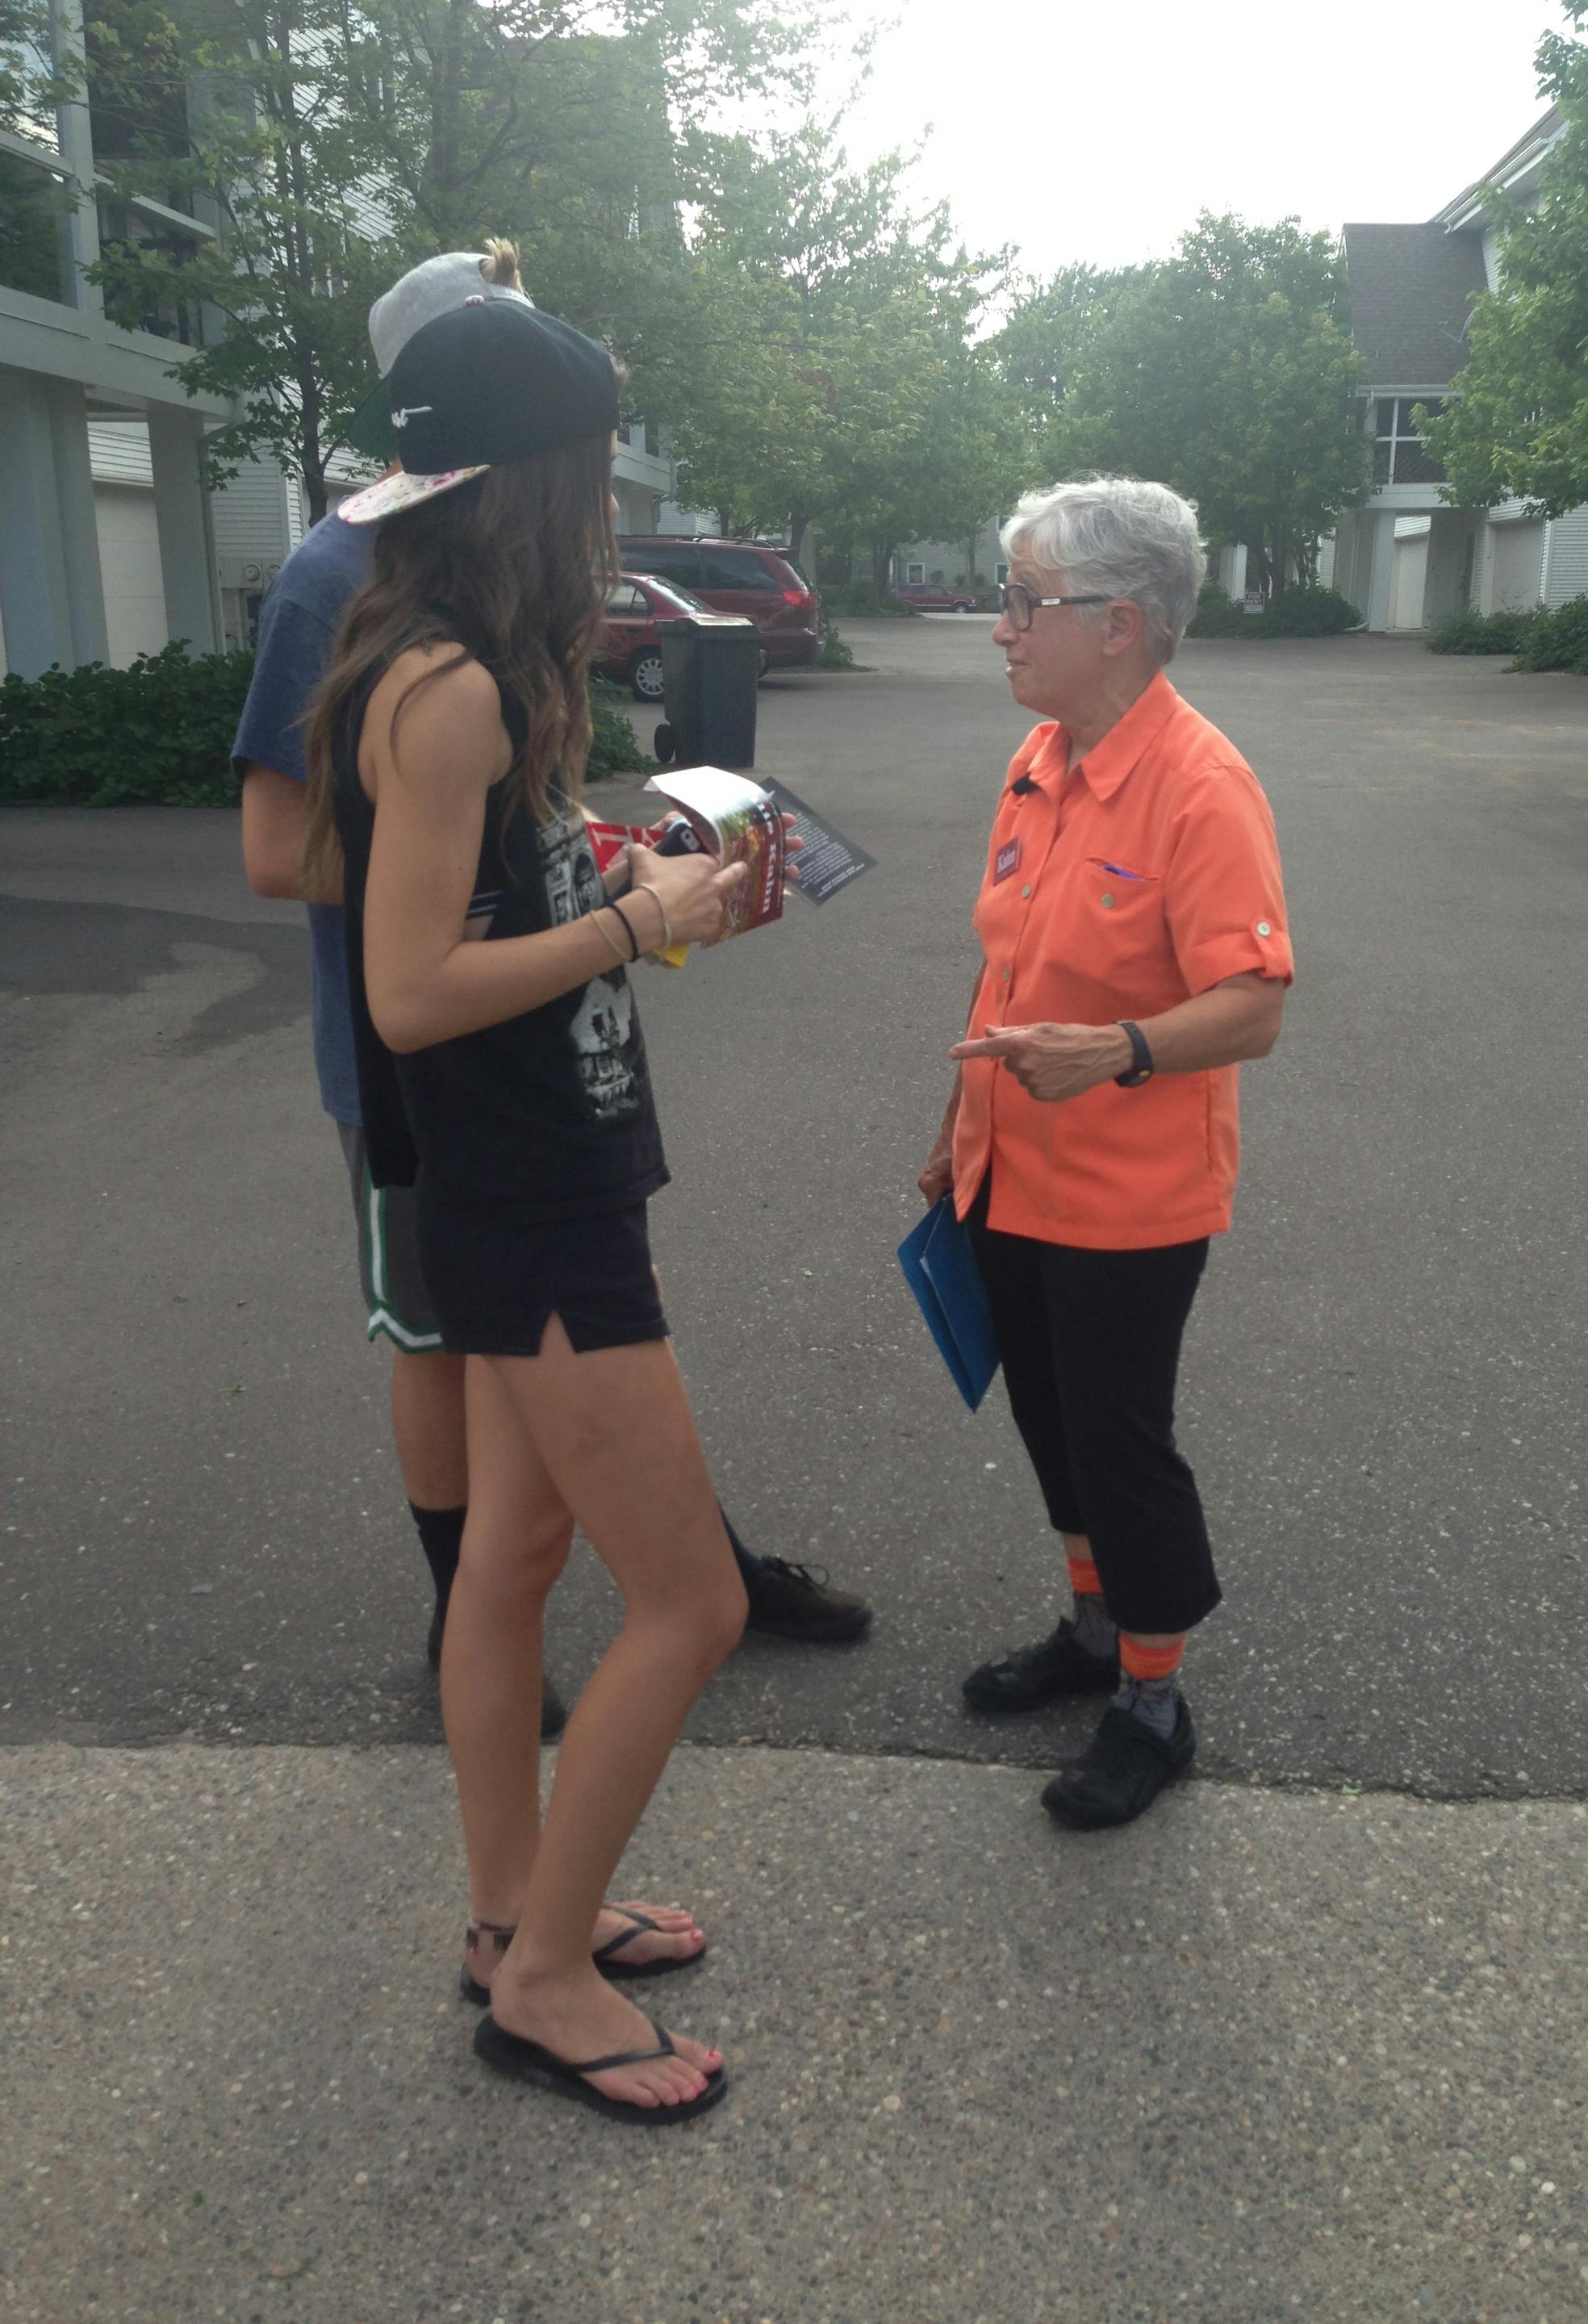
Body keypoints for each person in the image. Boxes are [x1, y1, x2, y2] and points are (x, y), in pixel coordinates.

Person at [234, 245, 869, 1744]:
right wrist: (566, 910)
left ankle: (620, 1588)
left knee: (573, 1364)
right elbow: (283, 851)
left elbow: (488, 821)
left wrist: (582, 859)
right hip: (435, 1072)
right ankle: (479, 1627)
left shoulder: (497, 588)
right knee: (446, 1338)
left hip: (531, 1045)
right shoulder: (354, 582)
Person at [304, 296, 747, 2121]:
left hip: (518, 1178)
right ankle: (547, 1984)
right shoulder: (455, 687)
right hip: (534, 1196)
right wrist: (638, 924)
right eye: (601, 474)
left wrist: (612, 869)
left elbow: (480, 905)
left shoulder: (452, 651)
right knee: (694, 1603)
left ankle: (512, 1918)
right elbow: (409, 992)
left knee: (515, 1559)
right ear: (538, 484)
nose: (616, 511)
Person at [919, 477, 1292, 1832]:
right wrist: (951, 1136)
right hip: (1008, 1169)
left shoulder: (1202, 787)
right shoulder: (1041, 761)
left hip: (1131, 1195)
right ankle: (1091, 1632)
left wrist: (1124, 1050)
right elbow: (1005, 970)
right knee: (1045, 1419)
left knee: (1121, 1440)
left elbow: (1255, 1004)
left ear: (1119, 623)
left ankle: (1153, 1700)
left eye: (1025, 601)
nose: (1001, 626)